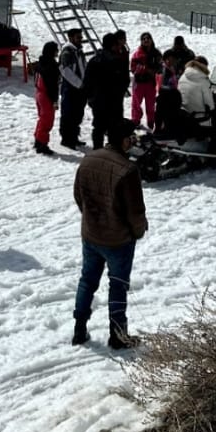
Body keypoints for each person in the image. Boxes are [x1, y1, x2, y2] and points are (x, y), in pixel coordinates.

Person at [71, 118, 148, 350]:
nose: (134, 141)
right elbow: (135, 212)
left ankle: (79, 329)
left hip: (91, 235)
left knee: (87, 281)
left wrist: (91, 219)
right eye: (132, 137)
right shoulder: (128, 170)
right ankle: (118, 336)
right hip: (118, 241)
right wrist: (138, 231)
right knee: (117, 285)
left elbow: (78, 196)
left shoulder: (88, 159)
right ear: (124, 141)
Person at [84, 32, 129, 150]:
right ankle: (113, 153)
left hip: (98, 103)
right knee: (114, 129)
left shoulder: (93, 60)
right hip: (114, 103)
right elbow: (124, 81)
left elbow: (87, 83)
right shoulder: (117, 61)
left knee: (98, 129)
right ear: (113, 45)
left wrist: (91, 99)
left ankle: (97, 151)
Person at [58, 27, 88, 150]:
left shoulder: (79, 51)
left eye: (81, 37)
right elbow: (65, 71)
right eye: (78, 37)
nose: (80, 39)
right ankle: (67, 139)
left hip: (80, 88)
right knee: (68, 114)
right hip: (70, 89)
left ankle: (74, 136)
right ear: (71, 38)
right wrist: (78, 83)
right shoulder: (67, 52)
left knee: (77, 114)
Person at [129, 31, 163, 128]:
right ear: (141, 41)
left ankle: (151, 121)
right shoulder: (137, 54)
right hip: (138, 83)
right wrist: (141, 69)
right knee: (136, 104)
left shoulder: (156, 54)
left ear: (151, 40)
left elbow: (161, 67)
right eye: (143, 39)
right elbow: (132, 68)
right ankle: (135, 120)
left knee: (151, 105)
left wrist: (153, 71)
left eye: (148, 38)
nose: (146, 40)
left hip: (150, 83)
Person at [32, 41, 60, 156]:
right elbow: (52, 86)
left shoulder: (40, 63)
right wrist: (54, 100)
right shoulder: (51, 66)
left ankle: (38, 140)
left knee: (42, 119)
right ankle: (42, 144)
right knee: (47, 121)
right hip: (47, 96)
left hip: (39, 93)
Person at [178, 55, 214, 130]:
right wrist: (212, 108)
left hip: (184, 110)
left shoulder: (183, 75)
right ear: (203, 66)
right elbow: (209, 103)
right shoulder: (202, 79)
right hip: (198, 114)